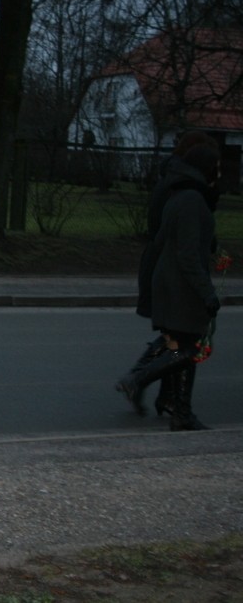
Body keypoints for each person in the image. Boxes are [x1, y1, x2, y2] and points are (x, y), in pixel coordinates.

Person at [116, 138, 221, 431]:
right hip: (180, 285)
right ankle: (138, 380)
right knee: (186, 348)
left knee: (179, 344)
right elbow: (185, 252)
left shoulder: (180, 191)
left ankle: (178, 409)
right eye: (217, 167)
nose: (221, 174)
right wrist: (207, 292)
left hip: (168, 279)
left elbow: (164, 238)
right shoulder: (191, 197)